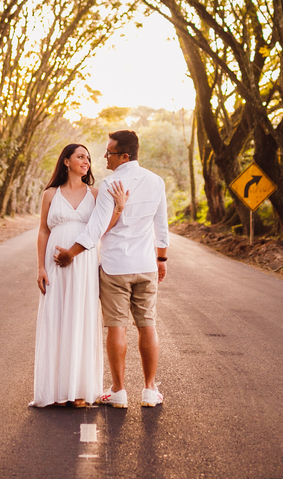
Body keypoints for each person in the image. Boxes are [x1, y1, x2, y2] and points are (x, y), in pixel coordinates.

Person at [55, 130, 169, 408]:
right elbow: (162, 227)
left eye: (109, 152)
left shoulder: (110, 184)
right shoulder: (156, 182)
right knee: (147, 325)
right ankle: (150, 391)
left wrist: (71, 252)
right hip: (145, 265)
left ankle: (118, 392)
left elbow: (95, 228)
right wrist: (161, 260)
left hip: (116, 267)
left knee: (116, 327)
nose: (104, 156)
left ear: (125, 156)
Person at [29, 143, 127, 408]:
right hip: (54, 266)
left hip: (83, 262)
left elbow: (102, 229)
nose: (86, 161)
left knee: (81, 318)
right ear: (66, 162)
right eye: (80, 157)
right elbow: (42, 232)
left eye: (88, 158)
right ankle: (56, 391)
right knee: (56, 319)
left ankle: (80, 390)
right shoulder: (50, 194)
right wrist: (40, 267)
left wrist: (118, 208)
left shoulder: (96, 193)